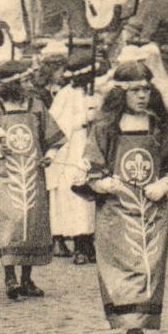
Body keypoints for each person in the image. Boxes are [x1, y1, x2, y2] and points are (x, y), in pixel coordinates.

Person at [77, 61, 168, 334]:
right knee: (123, 269)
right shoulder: (104, 128)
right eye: (135, 90)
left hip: (152, 211)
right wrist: (104, 183)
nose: (142, 95)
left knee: (149, 267)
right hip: (117, 212)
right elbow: (91, 167)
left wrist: (165, 183)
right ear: (121, 93)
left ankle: (138, 329)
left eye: (146, 89)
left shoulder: (159, 126)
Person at [0, 60, 66, 301]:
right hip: (7, 175)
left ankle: (27, 278)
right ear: (11, 84)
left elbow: (53, 137)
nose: (29, 84)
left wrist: (49, 156)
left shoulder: (36, 106)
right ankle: (10, 277)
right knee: (11, 222)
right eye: (24, 80)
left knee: (32, 222)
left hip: (33, 173)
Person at [49, 52, 101, 264]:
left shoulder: (95, 94)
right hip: (72, 149)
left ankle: (89, 243)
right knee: (76, 198)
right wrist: (81, 119)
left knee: (91, 198)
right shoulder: (65, 95)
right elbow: (56, 124)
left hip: (91, 147)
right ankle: (79, 244)